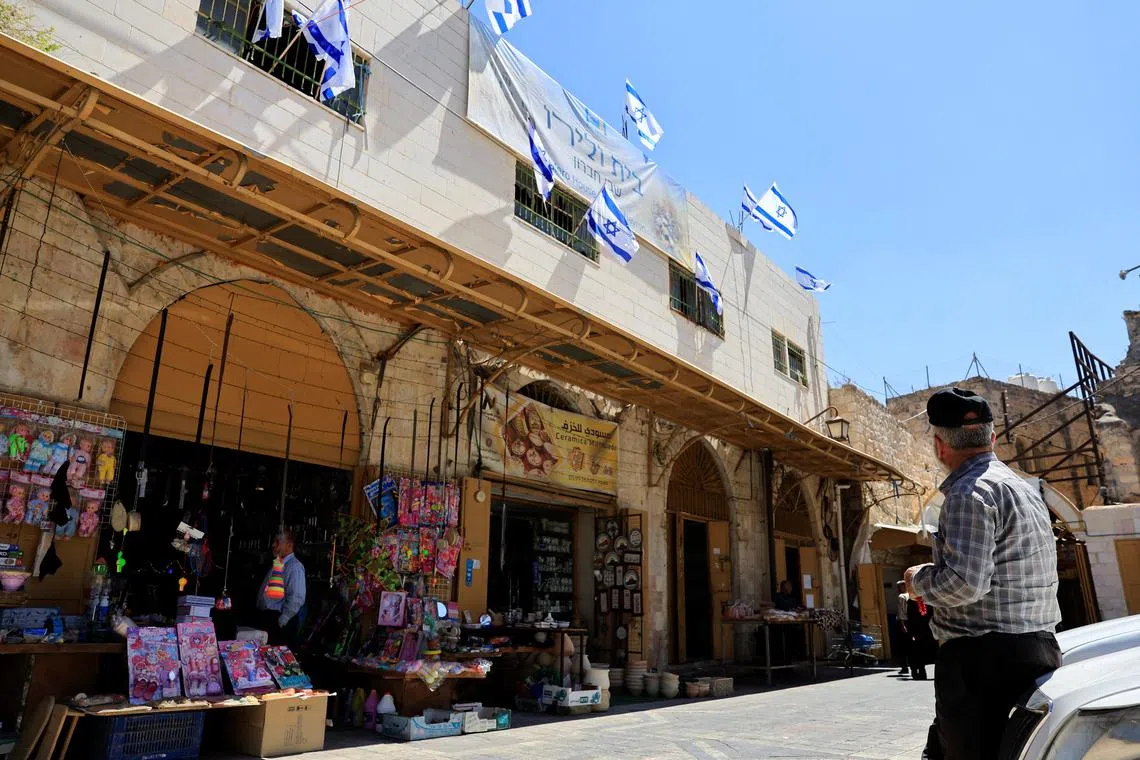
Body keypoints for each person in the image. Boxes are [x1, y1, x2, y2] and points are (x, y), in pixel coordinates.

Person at [905, 388, 1061, 760]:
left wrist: (918, 581)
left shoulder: (968, 493)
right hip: (1036, 649)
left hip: (984, 661)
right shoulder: (1023, 490)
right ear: (992, 438)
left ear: (940, 445)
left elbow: (965, 583)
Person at [257, 530, 307, 648]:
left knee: (278, 660)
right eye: (274, 541)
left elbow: (296, 597)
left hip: (280, 621)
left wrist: (283, 620)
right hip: (270, 619)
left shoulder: (294, 567)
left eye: (277, 542)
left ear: (289, 545)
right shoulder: (279, 563)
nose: (273, 545)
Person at [906, 594, 936, 680]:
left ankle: (921, 670)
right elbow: (910, 617)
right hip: (917, 630)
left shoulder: (929, 600)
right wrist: (911, 632)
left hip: (927, 630)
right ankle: (917, 670)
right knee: (916, 651)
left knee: (924, 651)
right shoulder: (911, 601)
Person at [894, 580, 910, 676]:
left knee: (902, 646)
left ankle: (904, 667)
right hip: (911, 622)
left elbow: (901, 613)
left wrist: (902, 624)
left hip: (903, 622)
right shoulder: (911, 596)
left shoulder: (902, 597)